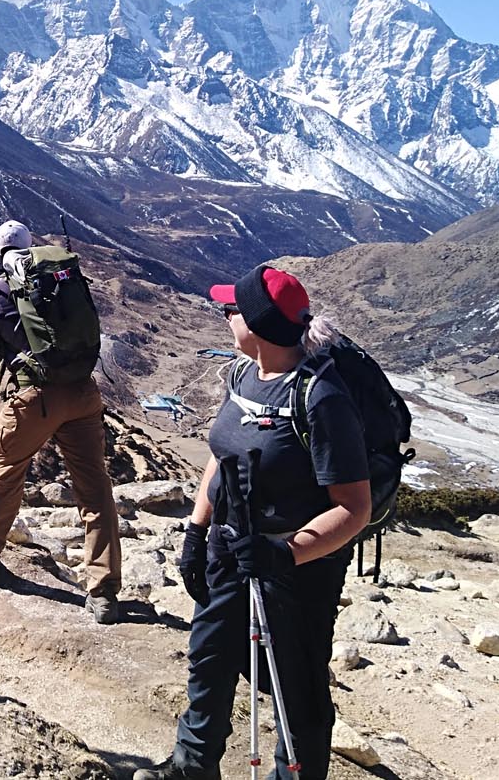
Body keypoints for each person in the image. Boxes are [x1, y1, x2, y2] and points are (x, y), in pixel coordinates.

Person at [135, 264, 370, 780]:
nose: (223, 314)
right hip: (228, 550)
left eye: (231, 309)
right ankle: (191, 767)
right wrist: (196, 533)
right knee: (209, 661)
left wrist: (284, 553)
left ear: (258, 323)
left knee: (295, 685)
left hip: (295, 571)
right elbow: (222, 456)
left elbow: (354, 507)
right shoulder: (243, 375)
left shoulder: (319, 398)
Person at [0, 220, 123, 624]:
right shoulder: (61, 278)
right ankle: (103, 592)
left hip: (34, 398)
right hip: (83, 391)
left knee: (8, 470)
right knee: (94, 488)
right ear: (31, 248)